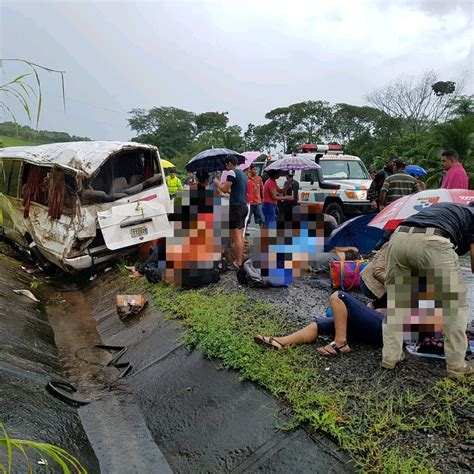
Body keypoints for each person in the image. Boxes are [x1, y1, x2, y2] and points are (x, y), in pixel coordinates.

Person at [382, 202, 474, 377]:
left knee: (397, 301)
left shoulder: (451, 209)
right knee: (454, 305)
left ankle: (390, 357)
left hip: (399, 237)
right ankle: (456, 365)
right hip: (433, 242)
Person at [254, 290, 386, 355]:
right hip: (378, 322)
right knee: (320, 324)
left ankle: (340, 343)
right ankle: (280, 341)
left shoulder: (401, 265)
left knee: (338, 296)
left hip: (389, 325)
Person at [214, 156, 248, 269]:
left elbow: (224, 189)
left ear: (229, 163)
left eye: (226, 165)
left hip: (236, 208)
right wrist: (223, 190)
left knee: (236, 236)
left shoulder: (232, 173)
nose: (226, 167)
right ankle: (240, 258)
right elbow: (233, 190)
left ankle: (238, 262)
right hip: (243, 206)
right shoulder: (243, 174)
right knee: (241, 236)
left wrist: (217, 183)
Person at [246, 164, 265, 228]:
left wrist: (263, 199)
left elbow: (262, 190)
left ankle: (263, 235)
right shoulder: (246, 178)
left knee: (261, 219)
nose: (255, 171)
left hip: (258, 202)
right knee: (247, 219)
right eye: (254, 169)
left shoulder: (259, 178)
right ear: (250, 170)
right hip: (249, 203)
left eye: (256, 169)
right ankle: (244, 234)